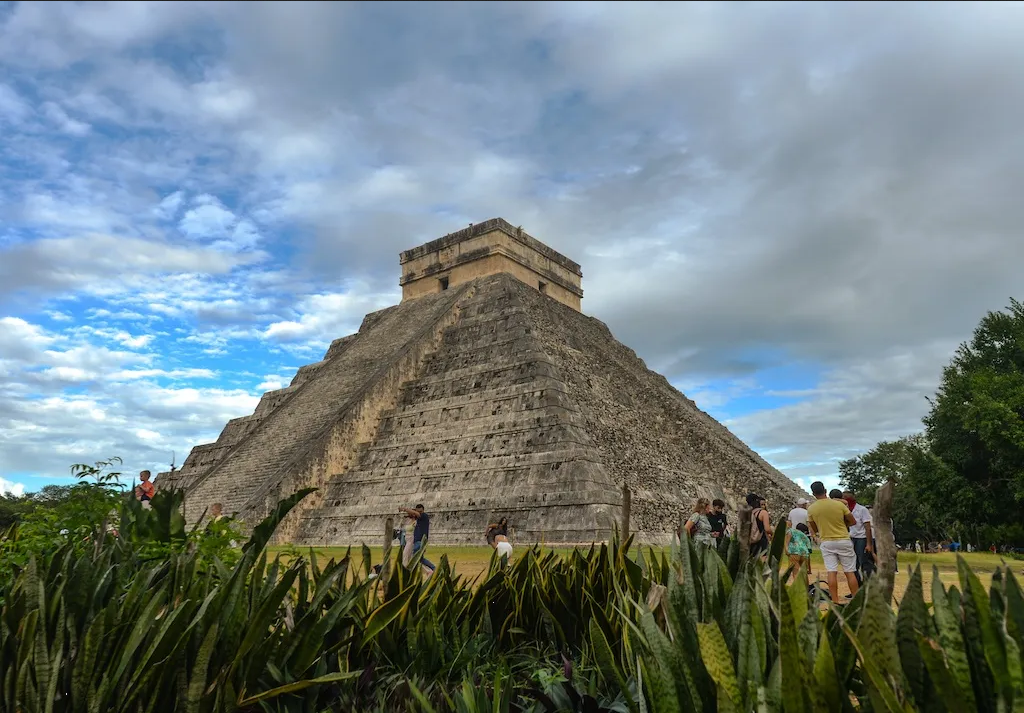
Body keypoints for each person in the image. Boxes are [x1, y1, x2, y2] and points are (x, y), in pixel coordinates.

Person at [807, 481, 859, 604]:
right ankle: (857, 601)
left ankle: (835, 601)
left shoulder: (811, 509)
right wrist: (843, 524)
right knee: (849, 572)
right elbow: (853, 521)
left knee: (831, 571)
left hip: (827, 541)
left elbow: (814, 528)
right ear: (825, 490)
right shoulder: (838, 505)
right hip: (843, 539)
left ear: (814, 494)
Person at [843, 491, 874, 583]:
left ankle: (868, 584)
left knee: (864, 562)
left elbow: (867, 527)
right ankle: (857, 586)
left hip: (862, 538)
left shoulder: (862, 509)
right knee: (853, 564)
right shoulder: (846, 510)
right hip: (852, 537)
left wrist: (869, 543)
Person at [398, 504, 435, 573]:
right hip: (416, 541)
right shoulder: (418, 519)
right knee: (419, 558)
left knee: (414, 557)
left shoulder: (424, 516)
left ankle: (431, 569)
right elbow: (412, 514)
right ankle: (431, 570)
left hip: (420, 541)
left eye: (420, 511)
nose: (419, 513)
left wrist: (404, 509)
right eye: (418, 511)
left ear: (423, 510)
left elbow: (415, 513)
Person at [746, 492, 773, 559]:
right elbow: (767, 529)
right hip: (761, 541)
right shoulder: (763, 512)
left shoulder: (747, 513)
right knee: (761, 562)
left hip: (749, 541)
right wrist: (773, 534)